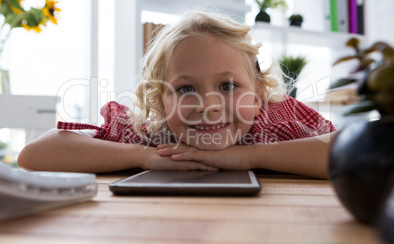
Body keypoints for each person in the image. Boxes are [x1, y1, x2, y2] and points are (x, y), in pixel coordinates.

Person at [18, 12, 336, 179]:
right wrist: (144, 157)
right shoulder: (151, 135)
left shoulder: (278, 120)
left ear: (258, 95)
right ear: (159, 101)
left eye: (228, 85)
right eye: (185, 89)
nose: (209, 106)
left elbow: (357, 152)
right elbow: (34, 154)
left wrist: (246, 157)